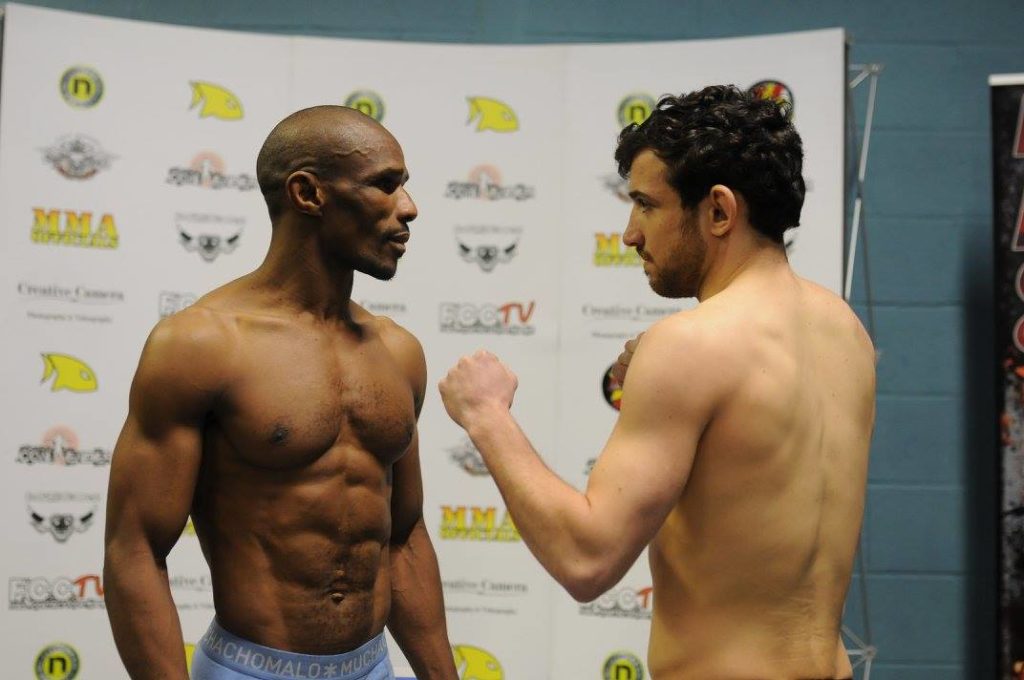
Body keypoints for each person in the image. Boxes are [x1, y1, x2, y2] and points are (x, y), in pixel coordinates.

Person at [438, 85, 875, 680]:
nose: (630, 235)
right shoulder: (845, 331)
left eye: (647, 205)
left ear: (719, 212)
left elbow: (585, 558)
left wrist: (486, 414)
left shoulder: (692, 344)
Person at [104, 106, 458, 680]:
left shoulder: (398, 352)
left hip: (372, 668)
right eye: (384, 185)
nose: (409, 208)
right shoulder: (203, 344)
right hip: (251, 668)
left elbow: (404, 536)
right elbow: (135, 550)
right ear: (307, 193)